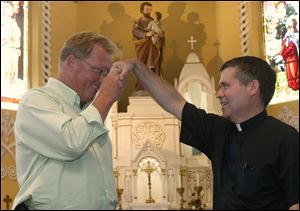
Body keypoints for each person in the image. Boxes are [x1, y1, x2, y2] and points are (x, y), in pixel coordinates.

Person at [112, 56, 299, 210]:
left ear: (252, 87)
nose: (218, 94)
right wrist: (137, 66)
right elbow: (173, 102)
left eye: (225, 86)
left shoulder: (286, 139)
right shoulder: (218, 131)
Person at [12, 32, 128, 210]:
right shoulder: (35, 101)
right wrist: (105, 97)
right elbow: (71, 142)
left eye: (107, 73)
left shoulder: (89, 111)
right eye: (98, 71)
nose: (103, 80)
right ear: (72, 62)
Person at [132, 2, 163, 92]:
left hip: (153, 46)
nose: (148, 11)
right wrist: (146, 34)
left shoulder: (153, 21)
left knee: (153, 65)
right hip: (142, 46)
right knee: (142, 65)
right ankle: (141, 86)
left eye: (150, 9)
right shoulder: (138, 21)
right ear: (142, 10)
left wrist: (158, 35)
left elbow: (160, 32)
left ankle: (153, 85)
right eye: (147, 9)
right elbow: (135, 31)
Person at [280, 15, 299, 91]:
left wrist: (283, 54)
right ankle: (292, 85)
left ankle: (296, 85)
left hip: (294, 58)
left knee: (295, 73)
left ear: (294, 26)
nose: (289, 29)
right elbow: (283, 46)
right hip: (288, 59)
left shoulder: (296, 36)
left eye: (290, 27)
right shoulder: (287, 36)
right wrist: (281, 53)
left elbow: (292, 48)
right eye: (288, 27)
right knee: (289, 73)